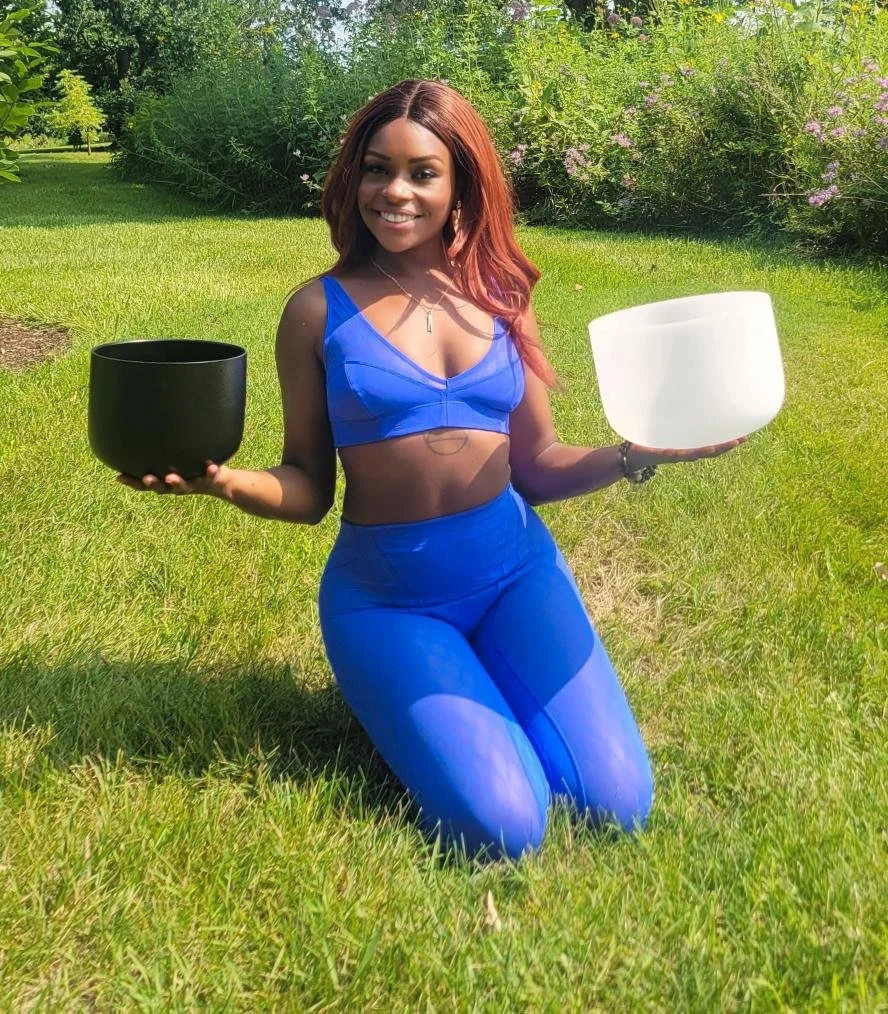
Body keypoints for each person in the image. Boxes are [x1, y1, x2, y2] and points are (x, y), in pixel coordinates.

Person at [119, 79, 743, 860]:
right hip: (390, 603)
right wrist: (226, 481)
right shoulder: (318, 310)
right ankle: (414, 690)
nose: (395, 192)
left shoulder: (500, 292)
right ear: (353, 178)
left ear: (459, 185)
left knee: (618, 805)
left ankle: (477, 679)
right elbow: (309, 487)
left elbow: (539, 467)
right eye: (377, 169)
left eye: (423, 173)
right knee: (504, 829)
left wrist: (633, 455)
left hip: (517, 575)